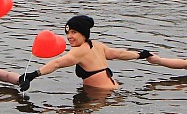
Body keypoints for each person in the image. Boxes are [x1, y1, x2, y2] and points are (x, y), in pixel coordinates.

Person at [16, 14, 150, 91]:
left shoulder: (79, 51)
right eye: (67, 33)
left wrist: (32, 75)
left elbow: (57, 63)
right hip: (114, 89)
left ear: (84, 33)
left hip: (99, 95)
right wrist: (140, 55)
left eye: (74, 32)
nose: (69, 37)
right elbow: (120, 54)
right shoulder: (98, 45)